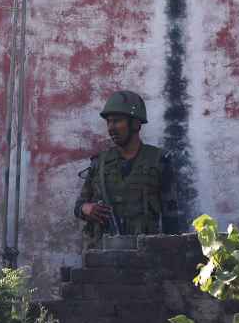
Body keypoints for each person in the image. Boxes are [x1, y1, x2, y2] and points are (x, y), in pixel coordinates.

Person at [75, 90, 181, 247]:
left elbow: (170, 217)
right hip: (102, 256)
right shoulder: (100, 163)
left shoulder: (159, 161)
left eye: (117, 121)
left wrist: (171, 254)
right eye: (109, 122)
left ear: (136, 124)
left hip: (144, 254)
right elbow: (79, 206)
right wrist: (86, 209)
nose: (111, 128)